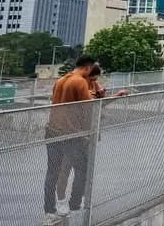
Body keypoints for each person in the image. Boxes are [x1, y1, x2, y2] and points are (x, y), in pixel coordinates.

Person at [42, 56, 97, 223]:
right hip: (69, 133)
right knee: (82, 168)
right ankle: (74, 204)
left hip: (52, 130)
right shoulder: (79, 81)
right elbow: (89, 108)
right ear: (87, 68)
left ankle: (50, 209)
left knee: (52, 171)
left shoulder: (61, 80)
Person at [55, 63, 105, 209]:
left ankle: (77, 201)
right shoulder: (73, 84)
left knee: (84, 170)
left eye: (95, 80)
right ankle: (61, 201)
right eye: (91, 79)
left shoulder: (93, 85)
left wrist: (102, 97)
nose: (93, 82)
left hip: (87, 135)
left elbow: (97, 106)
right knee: (65, 168)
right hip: (72, 135)